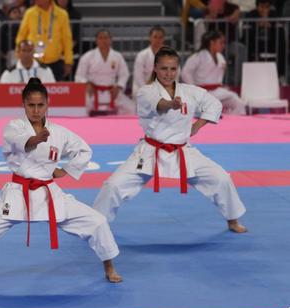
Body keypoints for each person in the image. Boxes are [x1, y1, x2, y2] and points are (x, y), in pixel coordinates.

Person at [0, 77, 122, 286]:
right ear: (24, 105)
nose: (36, 110)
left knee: (98, 221)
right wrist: (37, 139)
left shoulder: (59, 133)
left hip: (50, 194)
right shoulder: (14, 127)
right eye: (31, 105)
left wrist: (65, 170)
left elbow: (84, 150)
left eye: (40, 105)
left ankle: (109, 266)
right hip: (18, 194)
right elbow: (23, 143)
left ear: (48, 104)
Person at [92, 46, 247, 235]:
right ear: (155, 68)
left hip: (183, 151)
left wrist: (197, 125)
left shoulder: (190, 91)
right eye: (164, 68)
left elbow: (213, 104)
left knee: (222, 178)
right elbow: (159, 104)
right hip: (150, 151)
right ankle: (96, 224)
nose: (168, 73)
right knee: (113, 185)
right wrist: (171, 104)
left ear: (178, 69)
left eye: (173, 69)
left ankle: (232, 220)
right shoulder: (145, 91)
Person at [181, 30, 246, 115]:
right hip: (202, 93)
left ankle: (234, 124)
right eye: (221, 42)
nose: (223, 45)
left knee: (238, 103)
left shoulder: (220, 57)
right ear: (212, 42)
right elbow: (185, 72)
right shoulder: (198, 56)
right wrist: (193, 88)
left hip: (217, 91)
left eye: (224, 43)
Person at [74, 30, 136, 115]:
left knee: (131, 109)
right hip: (92, 91)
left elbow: (124, 74)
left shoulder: (117, 56)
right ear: (96, 41)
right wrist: (87, 84)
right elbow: (79, 75)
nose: (104, 41)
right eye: (100, 38)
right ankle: (86, 126)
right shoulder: (88, 56)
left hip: (111, 91)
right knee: (79, 109)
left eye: (106, 38)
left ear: (111, 40)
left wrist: (118, 86)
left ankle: (118, 126)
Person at [15, 0, 74, 80]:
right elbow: (21, 37)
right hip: (33, 62)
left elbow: (67, 40)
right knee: (33, 90)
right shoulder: (29, 13)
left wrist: (68, 61)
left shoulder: (62, 14)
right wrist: (19, 56)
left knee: (54, 91)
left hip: (55, 61)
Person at [132, 26, 167, 98]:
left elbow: (175, 73)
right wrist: (148, 90)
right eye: (155, 37)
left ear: (164, 39)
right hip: (144, 86)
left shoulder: (170, 55)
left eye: (160, 37)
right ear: (150, 38)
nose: (157, 40)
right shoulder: (142, 55)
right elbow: (138, 76)